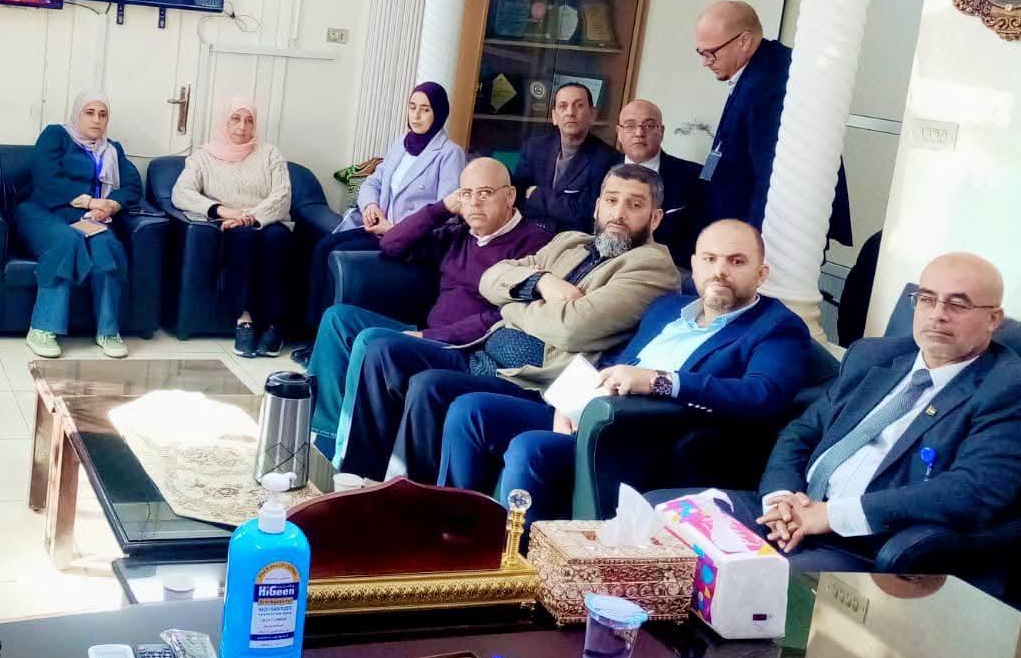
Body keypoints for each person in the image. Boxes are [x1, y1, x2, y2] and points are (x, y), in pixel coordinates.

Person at [650, 252, 1021, 571]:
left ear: (994, 319)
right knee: (656, 519)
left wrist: (830, 516)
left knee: (738, 581)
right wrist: (780, 498)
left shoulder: (1012, 390)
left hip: (863, 543)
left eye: (958, 304)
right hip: (788, 513)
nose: (937, 314)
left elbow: (972, 491)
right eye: (927, 299)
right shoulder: (874, 357)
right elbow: (803, 430)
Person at [434, 219, 808, 528]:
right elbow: (616, 360)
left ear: (761, 274)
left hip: (646, 440)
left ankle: (515, 571)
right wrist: (568, 402)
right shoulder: (666, 309)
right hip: (590, 414)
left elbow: (761, 395)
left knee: (530, 447)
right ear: (694, 265)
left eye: (737, 261)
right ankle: (452, 532)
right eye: (710, 259)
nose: (720, 271)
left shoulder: (777, 327)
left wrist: (660, 380)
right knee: (472, 411)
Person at [337, 163, 681, 481]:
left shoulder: (651, 268)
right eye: (611, 200)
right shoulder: (570, 242)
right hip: (482, 352)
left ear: (655, 218)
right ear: (597, 207)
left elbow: (572, 327)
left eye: (634, 205)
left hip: (532, 380)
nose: (618, 214)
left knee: (429, 386)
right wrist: (542, 282)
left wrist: (512, 306)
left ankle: (413, 499)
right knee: (384, 350)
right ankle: (357, 480)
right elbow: (492, 277)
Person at [305, 156, 550, 450]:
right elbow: (391, 244)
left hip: (468, 349)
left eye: (485, 193)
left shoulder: (534, 245)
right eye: (467, 193)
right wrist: (441, 208)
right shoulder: (459, 232)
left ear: (509, 196)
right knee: (337, 319)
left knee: (371, 339)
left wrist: (432, 336)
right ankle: (327, 434)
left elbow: (506, 316)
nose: (474, 203)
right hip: (427, 333)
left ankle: (350, 451)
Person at [297, 83, 466, 357]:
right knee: (323, 248)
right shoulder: (402, 142)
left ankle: (319, 344)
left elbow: (446, 213)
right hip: (376, 227)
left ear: (439, 113)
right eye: (412, 107)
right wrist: (371, 206)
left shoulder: (449, 154)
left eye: (425, 109)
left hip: (407, 241)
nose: (416, 115)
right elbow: (372, 182)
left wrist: (395, 228)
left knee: (335, 254)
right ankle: (313, 333)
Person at [693, 0, 851, 245]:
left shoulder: (768, 85)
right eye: (700, 52)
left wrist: (753, 243)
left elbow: (774, 175)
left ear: (744, 41)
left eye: (711, 52)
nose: (705, 62)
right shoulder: (765, 64)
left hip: (766, 233)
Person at [17, 91, 140, 359]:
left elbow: (132, 186)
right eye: (90, 112)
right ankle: (42, 328)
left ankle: (108, 330)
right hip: (44, 211)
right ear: (77, 114)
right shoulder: (55, 135)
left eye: (103, 114)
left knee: (107, 245)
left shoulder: (112, 149)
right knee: (66, 240)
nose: (97, 120)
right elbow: (46, 179)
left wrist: (110, 205)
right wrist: (90, 201)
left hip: (89, 218)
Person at [172, 95, 295, 358]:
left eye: (249, 120)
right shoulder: (203, 157)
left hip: (268, 219)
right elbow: (180, 193)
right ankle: (244, 319)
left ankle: (274, 324)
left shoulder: (270, 153)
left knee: (277, 239)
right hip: (231, 223)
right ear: (224, 122)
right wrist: (221, 210)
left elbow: (283, 196)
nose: (242, 127)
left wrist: (250, 215)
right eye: (235, 119)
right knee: (243, 238)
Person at [514, 81, 621, 236]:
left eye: (579, 106)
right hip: (528, 233)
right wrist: (565, 204)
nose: (570, 112)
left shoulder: (607, 159)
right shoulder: (535, 147)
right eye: (563, 106)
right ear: (554, 116)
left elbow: (585, 214)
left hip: (572, 241)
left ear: (592, 114)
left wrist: (536, 194)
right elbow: (517, 194)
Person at [613, 98, 702, 267]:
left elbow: (698, 239)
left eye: (649, 125)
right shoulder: (600, 170)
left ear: (661, 131)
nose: (639, 133)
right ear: (619, 133)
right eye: (630, 125)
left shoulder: (693, 177)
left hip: (667, 268)